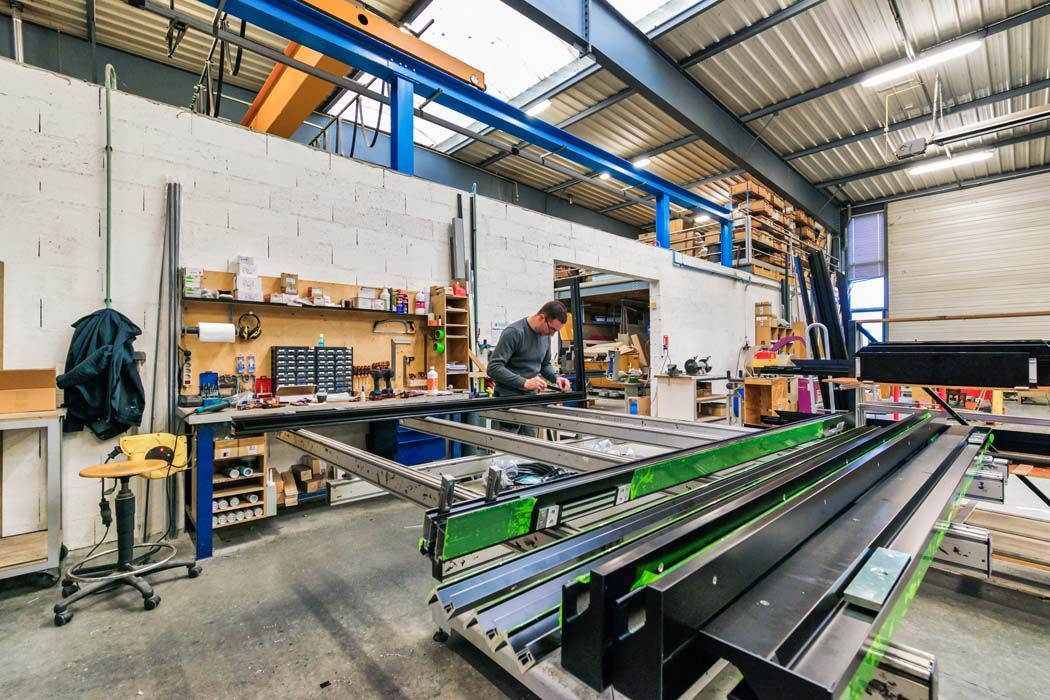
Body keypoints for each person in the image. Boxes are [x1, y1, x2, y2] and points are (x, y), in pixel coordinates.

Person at [488, 301, 573, 399]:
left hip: (530, 397)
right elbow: (493, 368)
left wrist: (556, 378)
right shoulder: (514, 333)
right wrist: (525, 382)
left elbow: (545, 364)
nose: (552, 334)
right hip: (507, 398)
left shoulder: (545, 336)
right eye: (552, 329)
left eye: (555, 331)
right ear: (541, 317)